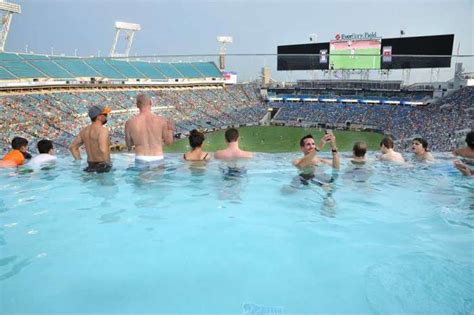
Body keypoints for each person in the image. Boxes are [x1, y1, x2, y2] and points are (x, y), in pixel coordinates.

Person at [124, 94, 174, 167]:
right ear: (151, 103)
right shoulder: (162, 121)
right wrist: (170, 130)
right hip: (157, 157)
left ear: (137, 105)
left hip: (141, 158)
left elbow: (129, 145)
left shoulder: (129, 123)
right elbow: (169, 142)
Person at [69, 105, 112, 173]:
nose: (106, 116)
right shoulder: (103, 130)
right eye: (105, 114)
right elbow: (103, 149)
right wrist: (108, 164)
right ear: (98, 116)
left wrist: (78, 161)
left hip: (89, 166)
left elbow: (72, 147)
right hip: (102, 166)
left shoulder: (84, 131)